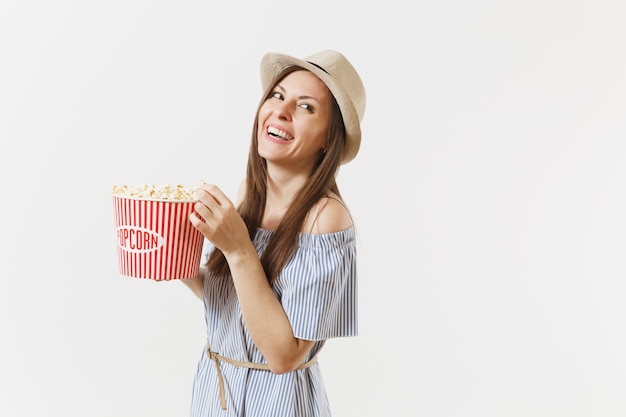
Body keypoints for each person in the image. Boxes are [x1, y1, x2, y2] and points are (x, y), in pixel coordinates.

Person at [182, 50, 366, 417]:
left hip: (277, 403)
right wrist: (177, 263)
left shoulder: (325, 220)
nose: (281, 111)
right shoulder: (248, 195)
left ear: (328, 140)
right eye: (278, 96)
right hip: (217, 391)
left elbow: (284, 354)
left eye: (306, 107)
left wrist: (238, 250)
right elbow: (237, 300)